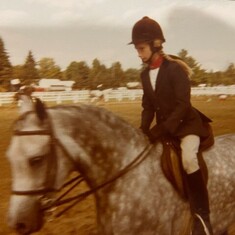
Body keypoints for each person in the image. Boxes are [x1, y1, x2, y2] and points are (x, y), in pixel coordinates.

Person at [129, 16, 214, 235]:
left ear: (155, 45)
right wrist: (144, 130)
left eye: (141, 48)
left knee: (187, 158)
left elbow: (183, 105)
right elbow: (147, 106)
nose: (138, 53)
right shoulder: (145, 75)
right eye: (137, 49)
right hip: (165, 128)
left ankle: (202, 216)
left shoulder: (175, 69)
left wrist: (163, 128)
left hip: (187, 126)